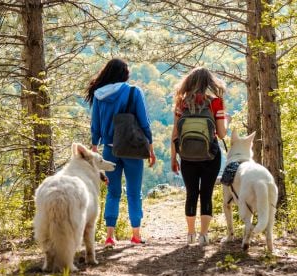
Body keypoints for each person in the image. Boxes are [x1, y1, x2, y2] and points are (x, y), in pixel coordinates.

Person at [85, 58, 156, 247]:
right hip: (132, 148)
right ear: (124, 74)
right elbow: (144, 123)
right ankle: (136, 234)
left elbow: (96, 126)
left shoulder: (99, 95)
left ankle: (109, 236)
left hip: (109, 150)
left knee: (113, 192)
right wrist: (150, 146)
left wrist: (94, 149)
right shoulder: (134, 92)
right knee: (134, 192)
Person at [170, 67, 228, 246]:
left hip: (187, 156)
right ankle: (204, 235)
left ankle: (190, 234)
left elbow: (175, 133)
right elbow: (222, 134)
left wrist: (174, 157)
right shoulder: (216, 102)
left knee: (191, 193)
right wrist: (227, 120)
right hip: (210, 155)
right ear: (209, 82)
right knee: (207, 193)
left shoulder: (182, 103)